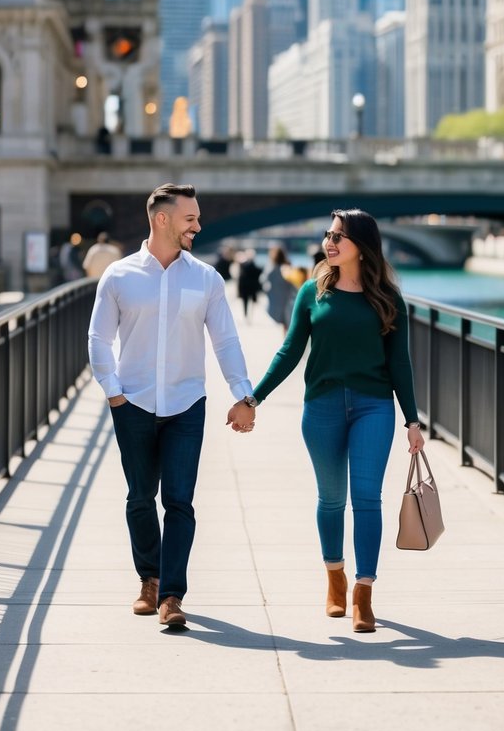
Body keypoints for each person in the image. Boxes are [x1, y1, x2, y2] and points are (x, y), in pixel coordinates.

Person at [228, 208, 425, 633]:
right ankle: (334, 578)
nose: (329, 243)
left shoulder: (389, 300)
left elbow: (400, 365)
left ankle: (363, 593)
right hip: (322, 407)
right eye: (328, 235)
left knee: (367, 498)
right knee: (332, 499)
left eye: (339, 237)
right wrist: (252, 398)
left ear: (362, 245)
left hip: (374, 407)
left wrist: (412, 420)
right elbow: (289, 353)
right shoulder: (312, 293)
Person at [88, 183, 255, 629]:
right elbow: (98, 338)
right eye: (190, 218)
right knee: (140, 498)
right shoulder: (120, 276)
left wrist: (244, 394)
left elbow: (225, 340)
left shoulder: (206, 278)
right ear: (162, 219)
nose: (198, 226)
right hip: (134, 403)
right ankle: (149, 577)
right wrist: (114, 392)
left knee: (179, 502)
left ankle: (170, 596)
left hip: (186, 404)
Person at [264, 245, 296, 337]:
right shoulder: (287, 266)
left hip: (278, 297)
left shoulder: (272, 267)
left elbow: (265, 280)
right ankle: (286, 338)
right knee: (287, 319)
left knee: (284, 319)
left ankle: (285, 338)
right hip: (288, 296)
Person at [236, 249, 263, 321]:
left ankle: (246, 316)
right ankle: (249, 316)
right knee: (251, 302)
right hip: (252, 288)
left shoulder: (242, 265)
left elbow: (240, 278)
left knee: (245, 302)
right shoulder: (255, 266)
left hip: (245, 287)